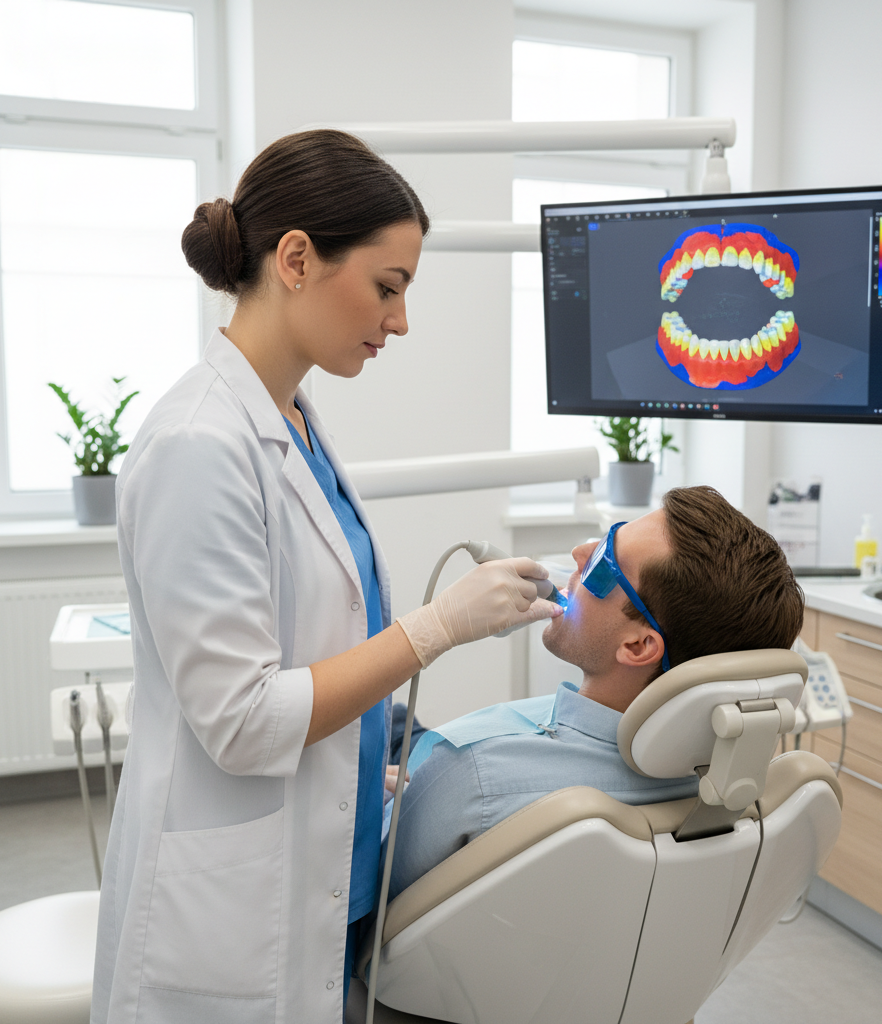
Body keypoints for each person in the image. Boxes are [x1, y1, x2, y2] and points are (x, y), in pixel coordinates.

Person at [90, 129, 561, 1024]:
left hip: (327, 867)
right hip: (231, 908)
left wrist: (361, 756)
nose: (400, 321)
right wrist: (438, 628)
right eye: (388, 287)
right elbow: (243, 721)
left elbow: (312, 647)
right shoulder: (200, 443)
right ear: (297, 259)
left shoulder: (291, 420)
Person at [387, 486, 804, 900]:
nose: (578, 553)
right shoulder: (726, 794)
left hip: (410, 788)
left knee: (387, 720)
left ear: (638, 646)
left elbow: (363, 891)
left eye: (603, 563)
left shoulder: (474, 772)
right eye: (607, 536)